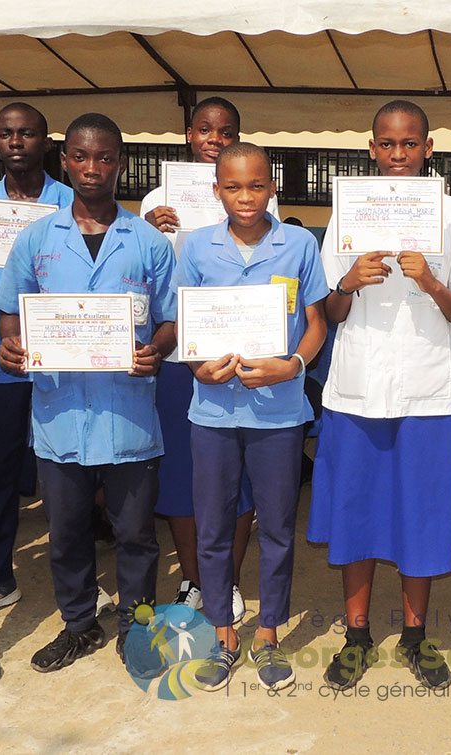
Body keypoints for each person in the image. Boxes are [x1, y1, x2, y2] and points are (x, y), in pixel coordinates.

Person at [309, 100, 451, 691]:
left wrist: (430, 280)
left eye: (410, 144)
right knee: (356, 510)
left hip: (427, 388)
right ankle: (357, 636)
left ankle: (414, 635)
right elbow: (332, 312)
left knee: (423, 512)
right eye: (387, 144)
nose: (399, 154)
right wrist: (347, 282)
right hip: (358, 387)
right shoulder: (348, 211)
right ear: (371, 149)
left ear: (428, 148)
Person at [0, 113, 176, 673]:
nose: (91, 168)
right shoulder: (35, 239)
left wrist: (156, 350)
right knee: (67, 534)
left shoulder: (148, 242)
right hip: (61, 414)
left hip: (128, 416)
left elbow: (172, 320)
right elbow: (11, 312)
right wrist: (12, 347)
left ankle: (136, 627)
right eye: (80, 156)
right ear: (65, 160)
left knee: (136, 535)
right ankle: (78, 626)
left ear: (120, 163)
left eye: (103, 157)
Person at [173, 142, 327, 692]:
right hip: (212, 412)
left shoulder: (300, 245)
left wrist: (293, 365)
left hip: (279, 413)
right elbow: (184, 324)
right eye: (233, 187)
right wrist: (197, 365)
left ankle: (267, 633)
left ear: (272, 188)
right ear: (216, 190)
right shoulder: (196, 246)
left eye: (257, 186)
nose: (245, 197)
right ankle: (223, 634)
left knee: (278, 527)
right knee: (213, 527)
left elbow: (316, 323)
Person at [140, 96, 263, 617]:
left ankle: (226, 581)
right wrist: (148, 229)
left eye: (226, 131)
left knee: (235, 480)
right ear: (189, 135)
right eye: (206, 130)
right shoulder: (156, 199)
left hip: (239, 358)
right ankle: (194, 580)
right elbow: (145, 277)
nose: (215, 139)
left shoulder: (255, 198)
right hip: (178, 362)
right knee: (181, 480)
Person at [0, 102, 74, 619]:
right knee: (2, 469)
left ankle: (79, 579)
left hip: (63, 354)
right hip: (1, 357)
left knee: (68, 468)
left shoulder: (72, 202)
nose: (15, 142)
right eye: (6, 134)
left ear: (46, 143)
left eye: (27, 133)